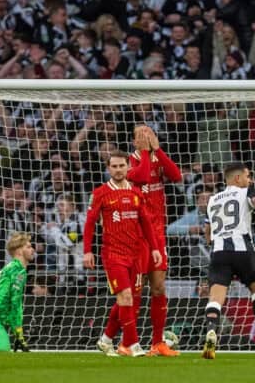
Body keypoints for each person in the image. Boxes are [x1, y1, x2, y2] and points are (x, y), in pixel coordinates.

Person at [83, 150, 161, 357]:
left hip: (135, 253)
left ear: (128, 167)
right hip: (113, 254)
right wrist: (87, 251)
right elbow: (90, 223)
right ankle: (132, 345)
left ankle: (105, 339)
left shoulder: (136, 192)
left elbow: (145, 223)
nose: (118, 170)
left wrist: (154, 248)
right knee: (125, 297)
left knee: (128, 299)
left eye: (121, 166)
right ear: (109, 169)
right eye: (114, 166)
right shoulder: (100, 192)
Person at [201, 163, 255, 359]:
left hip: (220, 253)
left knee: (215, 298)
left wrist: (213, 239)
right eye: (247, 176)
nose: (250, 180)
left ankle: (211, 332)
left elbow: (207, 233)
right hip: (244, 250)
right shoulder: (246, 192)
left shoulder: (212, 199)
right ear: (237, 179)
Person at [126, 126, 183, 356]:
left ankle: (158, 342)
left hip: (158, 234)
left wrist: (157, 151)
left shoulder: (158, 158)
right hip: (137, 234)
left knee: (158, 287)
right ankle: (129, 341)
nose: (147, 137)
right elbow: (140, 175)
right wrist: (146, 153)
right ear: (135, 141)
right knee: (135, 290)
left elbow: (177, 176)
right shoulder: (128, 162)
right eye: (142, 134)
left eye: (150, 134)